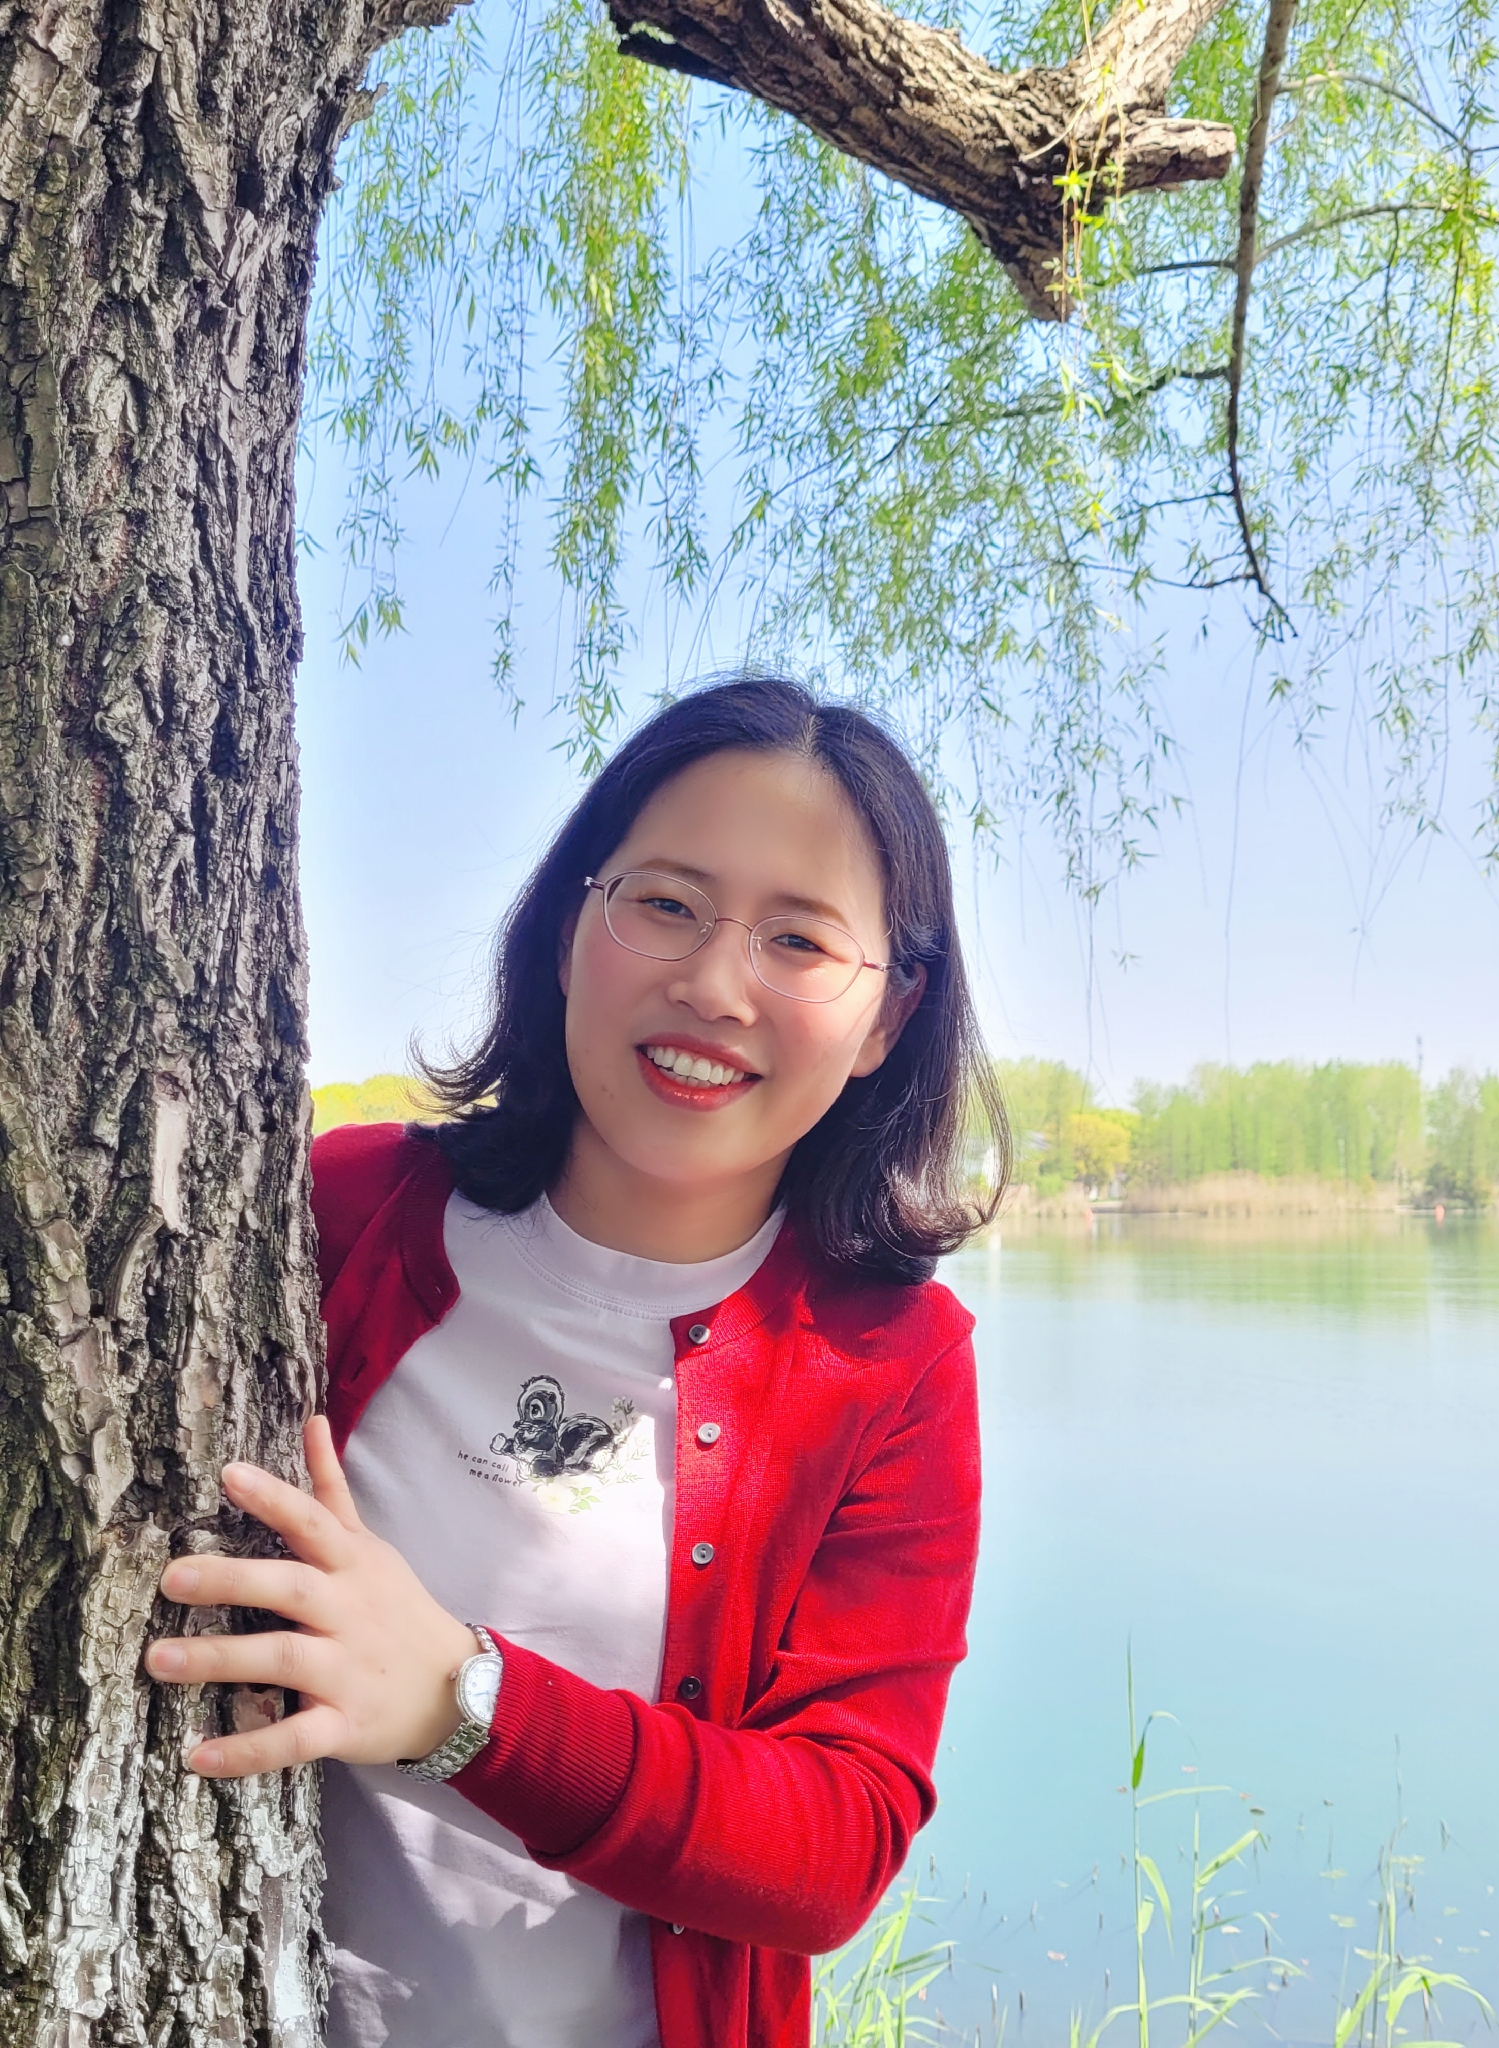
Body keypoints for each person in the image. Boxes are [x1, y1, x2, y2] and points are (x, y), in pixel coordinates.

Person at [146, 674, 1009, 2048]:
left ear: (887, 1020)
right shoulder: (344, 1215)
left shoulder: (887, 1365)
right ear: (567, 931)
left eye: (799, 940)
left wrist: (461, 1700)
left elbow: (837, 1844)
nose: (713, 985)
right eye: (666, 904)